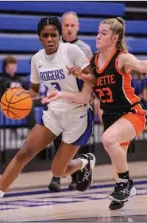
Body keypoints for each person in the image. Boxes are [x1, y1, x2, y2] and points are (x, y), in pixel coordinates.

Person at [0, 17, 96, 220]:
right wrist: (17, 96)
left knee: (58, 169)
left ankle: (85, 161)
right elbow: (34, 90)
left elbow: (92, 79)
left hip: (78, 114)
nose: (50, 39)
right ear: (39, 37)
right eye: (45, 35)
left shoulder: (72, 52)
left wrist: (82, 77)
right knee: (24, 152)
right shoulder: (37, 59)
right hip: (54, 112)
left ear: (60, 35)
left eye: (53, 35)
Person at [63, 17, 147, 210]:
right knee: (117, 161)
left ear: (114, 38)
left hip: (132, 113)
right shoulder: (92, 61)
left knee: (108, 140)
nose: (98, 36)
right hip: (111, 117)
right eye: (98, 32)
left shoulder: (121, 58)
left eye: (104, 33)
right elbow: (87, 94)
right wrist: (62, 93)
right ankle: (121, 188)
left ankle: (126, 184)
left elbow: (141, 65)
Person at [48, 11, 93, 192]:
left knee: (74, 141)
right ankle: (57, 176)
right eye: (66, 25)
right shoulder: (53, 47)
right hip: (57, 100)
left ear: (77, 27)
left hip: (77, 101)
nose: (68, 28)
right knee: (56, 139)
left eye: (72, 25)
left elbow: (90, 77)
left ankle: (75, 175)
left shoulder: (85, 49)